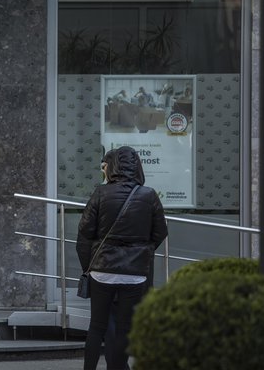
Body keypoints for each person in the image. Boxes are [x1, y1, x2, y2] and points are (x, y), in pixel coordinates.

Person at [76, 146, 167, 370]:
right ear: (137, 166)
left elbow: (85, 233)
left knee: (96, 327)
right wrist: (141, 251)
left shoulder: (100, 192)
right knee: (125, 328)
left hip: (102, 271)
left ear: (113, 166)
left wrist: (89, 265)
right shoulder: (149, 195)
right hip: (134, 274)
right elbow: (160, 232)